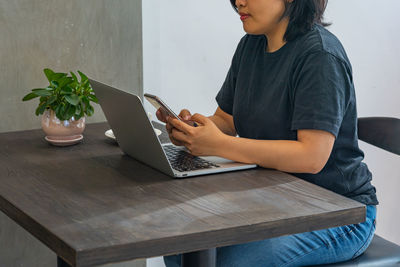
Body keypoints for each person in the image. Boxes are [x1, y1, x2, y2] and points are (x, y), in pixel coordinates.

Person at [158, 0, 378, 266]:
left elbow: (311, 156)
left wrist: (219, 145)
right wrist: (193, 130)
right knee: (179, 244)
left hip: (341, 213)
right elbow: (227, 119)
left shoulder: (320, 55)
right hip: (274, 201)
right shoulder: (251, 45)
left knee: (230, 261)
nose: (239, 2)